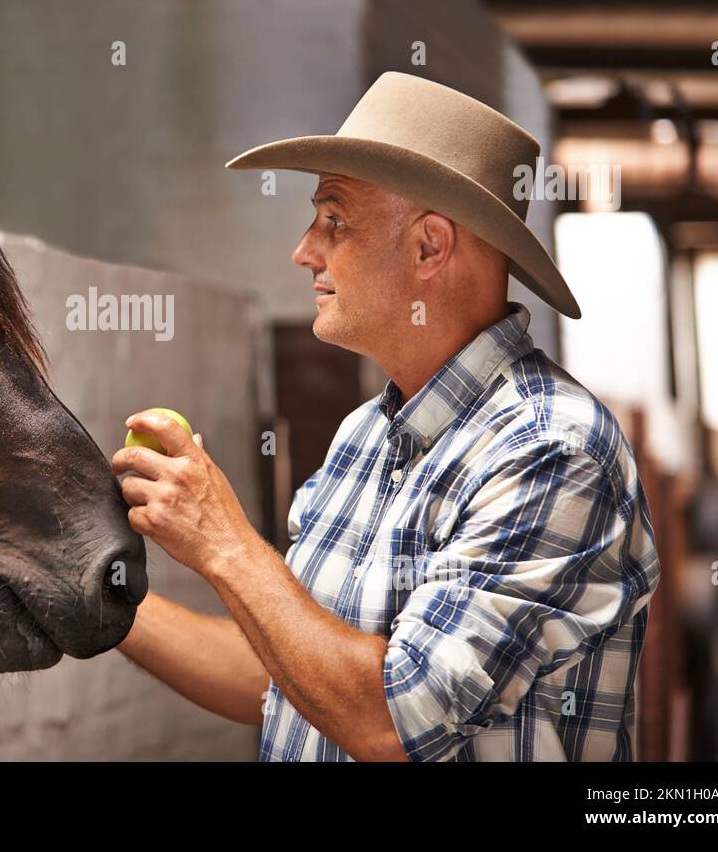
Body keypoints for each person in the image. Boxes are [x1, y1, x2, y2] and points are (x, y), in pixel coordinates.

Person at [111, 72, 662, 761]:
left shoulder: (551, 449)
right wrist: (98, 600)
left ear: (430, 246)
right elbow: (287, 671)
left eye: (334, 219)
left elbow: (392, 719)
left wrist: (223, 543)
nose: (304, 249)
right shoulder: (363, 436)